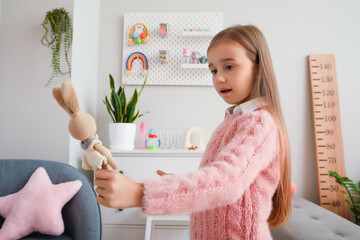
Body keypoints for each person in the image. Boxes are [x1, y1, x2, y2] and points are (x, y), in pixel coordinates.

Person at [94, 25, 291, 239]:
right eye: (214, 70)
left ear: (258, 68)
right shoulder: (234, 121)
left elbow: (227, 182)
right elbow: (220, 183)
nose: (219, 78)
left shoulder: (259, 123)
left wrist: (140, 193)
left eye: (229, 67)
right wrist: (181, 182)